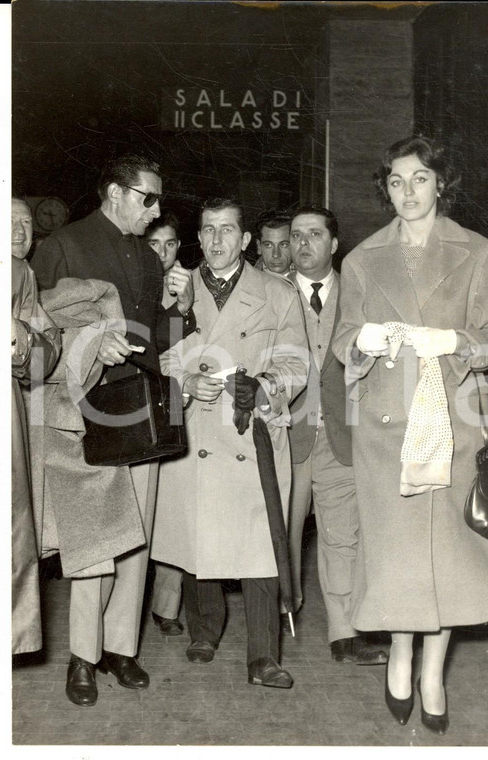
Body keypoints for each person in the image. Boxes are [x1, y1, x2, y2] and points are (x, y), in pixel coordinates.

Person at [332, 136, 488, 734]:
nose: (407, 192)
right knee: (397, 558)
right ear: (384, 188)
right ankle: (400, 655)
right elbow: (342, 340)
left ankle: (434, 670)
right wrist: (358, 343)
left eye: (419, 179)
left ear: (441, 183)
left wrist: (456, 343)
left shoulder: (479, 252)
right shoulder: (361, 259)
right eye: (395, 181)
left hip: (454, 421)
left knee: (450, 558)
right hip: (387, 430)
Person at [30, 154, 196, 706]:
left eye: (158, 201)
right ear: (114, 192)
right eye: (146, 198)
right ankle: (83, 656)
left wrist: (180, 306)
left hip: (139, 409)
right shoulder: (63, 246)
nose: (154, 211)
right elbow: (38, 335)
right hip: (84, 412)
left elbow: (162, 343)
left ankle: (122, 649)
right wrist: (89, 344)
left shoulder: (149, 261)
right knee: (95, 539)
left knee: (137, 536)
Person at [151, 198, 309, 688]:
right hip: (197, 428)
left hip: (252, 428)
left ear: (245, 240)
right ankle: (205, 630)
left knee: (262, 546)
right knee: (202, 537)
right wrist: (183, 385)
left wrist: (264, 384)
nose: (216, 240)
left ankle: (264, 656)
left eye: (227, 231)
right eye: (207, 231)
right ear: (199, 238)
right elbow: (162, 356)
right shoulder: (176, 294)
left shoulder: (278, 293)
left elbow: (297, 362)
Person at [285, 205, 388, 667]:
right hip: (284, 435)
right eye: (295, 235)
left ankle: (343, 633)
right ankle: (273, 627)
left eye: (313, 234)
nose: (302, 243)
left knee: (341, 537)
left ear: (334, 244)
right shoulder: (274, 292)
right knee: (277, 535)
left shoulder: (359, 292)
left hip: (342, 434)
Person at [11, 197, 61, 656]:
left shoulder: (24, 276)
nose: (20, 229)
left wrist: (23, 338)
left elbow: (41, 361)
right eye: (8, 221)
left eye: (26, 221)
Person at [145, 211, 185, 636]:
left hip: (175, 396)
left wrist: (180, 305)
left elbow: (179, 341)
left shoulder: (185, 283)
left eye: (170, 244)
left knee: (172, 499)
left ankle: (166, 605)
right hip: (136, 398)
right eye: (155, 244)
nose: (163, 253)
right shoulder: (135, 279)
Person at [253, 210, 294, 276]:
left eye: (283, 245)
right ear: (259, 247)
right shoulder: (244, 284)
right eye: (268, 245)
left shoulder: (311, 282)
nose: (276, 255)